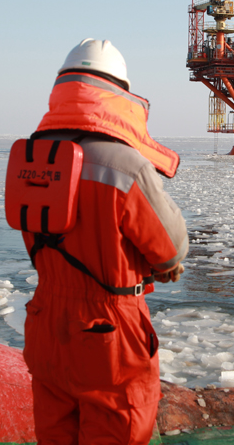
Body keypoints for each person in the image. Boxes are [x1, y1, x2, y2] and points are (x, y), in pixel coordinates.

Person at [22, 39, 189, 445]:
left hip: (45, 321)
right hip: (108, 331)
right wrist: (165, 266)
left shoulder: (31, 158)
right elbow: (172, 247)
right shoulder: (124, 166)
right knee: (119, 429)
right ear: (119, 94)